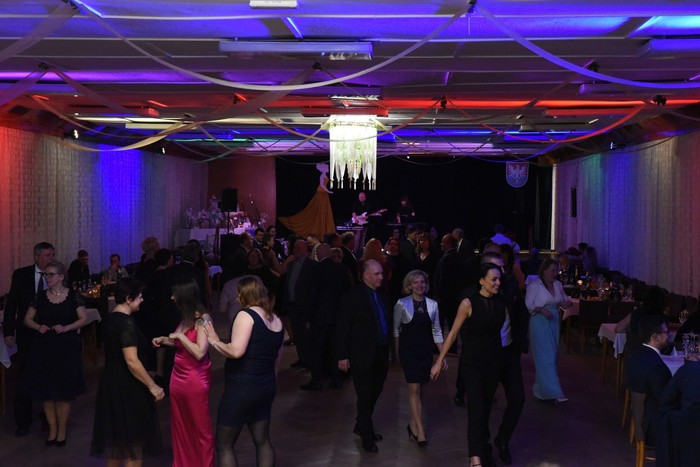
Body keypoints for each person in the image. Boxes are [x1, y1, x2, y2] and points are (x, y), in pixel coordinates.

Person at [431, 263, 509, 467]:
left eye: (499, 279)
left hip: (493, 363)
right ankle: (475, 459)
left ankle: (482, 449)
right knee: (476, 409)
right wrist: (439, 361)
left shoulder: (501, 302)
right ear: (482, 281)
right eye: (493, 279)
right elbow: (453, 334)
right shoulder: (468, 303)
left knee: (485, 409)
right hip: (473, 364)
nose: (498, 283)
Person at [204, 276, 284, 467]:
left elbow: (236, 351)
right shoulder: (276, 319)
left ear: (246, 294)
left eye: (239, 293)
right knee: (262, 440)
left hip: (242, 388)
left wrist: (214, 340)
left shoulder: (246, 315)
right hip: (265, 386)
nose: (237, 297)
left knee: (224, 444)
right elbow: (277, 360)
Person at [91, 277, 165, 464]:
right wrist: (153, 386)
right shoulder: (127, 323)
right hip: (128, 385)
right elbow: (131, 361)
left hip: (110, 382)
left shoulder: (110, 319)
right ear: (128, 299)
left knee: (117, 444)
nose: (142, 300)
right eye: (139, 297)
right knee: (133, 444)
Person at [22, 260, 87, 446]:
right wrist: (38, 326)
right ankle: (52, 430)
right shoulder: (40, 296)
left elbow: (83, 318)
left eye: (50, 274)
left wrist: (66, 327)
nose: (47, 277)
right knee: (46, 391)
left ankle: (62, 430)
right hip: (43, 347)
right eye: (46, 274)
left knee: (63, 391)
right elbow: (27, 319)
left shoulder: (73, 296)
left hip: (66, 347)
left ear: (61, 276)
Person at [152, 279, 214, 467]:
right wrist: (163, 339)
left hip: (194, 379)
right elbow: (179, 342)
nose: (172, 297)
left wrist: (179, 336)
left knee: (199, 427)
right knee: (181, 425)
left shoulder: (203, 319)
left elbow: (199, 352)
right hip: (178, 379)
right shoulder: (185, 318)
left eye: (175, 294)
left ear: (185, 296)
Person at [336, 259, 391, 453]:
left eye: (382, 273)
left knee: (375, 390)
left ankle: (362, 424)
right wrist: (342, 356)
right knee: (365, 394)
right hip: (361, 354)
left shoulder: (383, 294)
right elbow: (343, 326)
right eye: (377, 274)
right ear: (365, 275)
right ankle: (367, 435)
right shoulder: (352, 296)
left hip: (381, 351)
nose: (381, 277)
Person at [3, 241, 56, 437]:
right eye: (47, 255)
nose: (51, 258)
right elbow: (11, 305)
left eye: (52, 254)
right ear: (37, 257)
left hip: (49, 334)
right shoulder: (21, 275)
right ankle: (23, 421)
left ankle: (47, 418)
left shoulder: (57, 274)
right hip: (27, 334)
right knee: (25, 376)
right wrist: (8, 332)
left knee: (48, 376)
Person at [393, 270, 444, 447]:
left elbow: (437, 330)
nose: (419, 285)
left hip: (425, 352)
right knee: (414, 388)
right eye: (415, 282)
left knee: (420, 389)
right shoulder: (401, 303)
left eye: (422, 282)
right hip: (408, 351)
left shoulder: (433, 304)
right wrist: (397, 353)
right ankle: (420, 431)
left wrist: (442, 355)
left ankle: (413, 423)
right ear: (409, 285)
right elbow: (396, 329)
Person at [525, 258, 572, 402]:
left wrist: (567, 303)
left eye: (556, 270)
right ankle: (555, 392)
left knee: (553, 355)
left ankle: (541, 390)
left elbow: (563, 300)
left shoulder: (557, 284)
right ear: (544, 271)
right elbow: (529, 304)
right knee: (546, 356)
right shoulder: (535, 285)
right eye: (552, 270)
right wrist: (541, 310)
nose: (555, 273)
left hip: (554, 321)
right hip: (539, 322)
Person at [626, 314, 672, 449]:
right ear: (655, 337)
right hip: (654, 427)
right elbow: (665, 399)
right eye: (666, 332)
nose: (668, 335)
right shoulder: (656, 366)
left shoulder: (634, 355)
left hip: (641, 422)